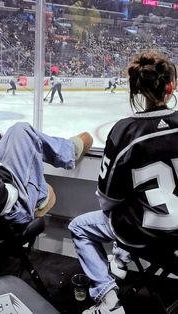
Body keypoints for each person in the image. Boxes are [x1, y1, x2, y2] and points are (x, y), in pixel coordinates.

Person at [69, 51, 177, 314]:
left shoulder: (124, 131)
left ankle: (108, 299)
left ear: (136, 89)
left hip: (145, 232)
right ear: (170, 86)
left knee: (79, 227)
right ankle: (120, 256)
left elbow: (108, 198)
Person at [0, 69, 93, 231]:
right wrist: (3, 173)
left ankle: (68, 151)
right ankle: (42, 193)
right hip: (10, 214)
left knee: (17, 131)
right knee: (23, 131)